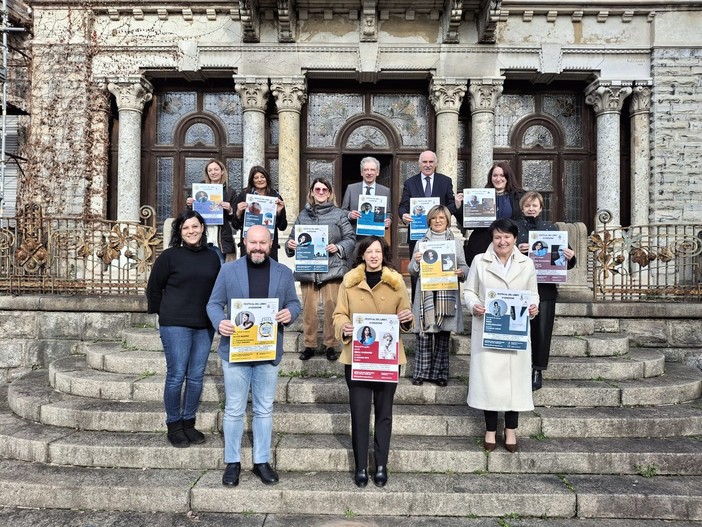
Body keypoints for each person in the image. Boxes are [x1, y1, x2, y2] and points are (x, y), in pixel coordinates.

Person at [207, 225, 301, 487]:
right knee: (235, 409)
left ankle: (261, 461)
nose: (258, 247)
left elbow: (294, 303)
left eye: (263, 243)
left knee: (263, 409)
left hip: (267, 351)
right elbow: (213, 303)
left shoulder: (283, 273)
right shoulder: (228, 270)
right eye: (253, 242)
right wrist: (219, 322)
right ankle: (233, 462)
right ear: (244, 243)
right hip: (235, 350)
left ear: (271, 244)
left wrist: (289, 314)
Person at [333, 235, 413, 488]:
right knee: (359, 413)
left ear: (384, 254)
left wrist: (406, 319)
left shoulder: (397, 283)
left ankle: (380, 464)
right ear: (363, 255)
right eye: (369, 252)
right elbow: (338, 314)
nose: (374, 256)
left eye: (378, 251)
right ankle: (360, 466)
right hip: (359, 358)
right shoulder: (349, 282)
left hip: (388, 359)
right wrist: (343, 326)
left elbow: (406, 316)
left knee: (384, 413)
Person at [146, 210, 221, 448]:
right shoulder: (169, 256)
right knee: (177, 374)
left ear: (202, 228)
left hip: (204, 324)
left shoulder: (212, 256)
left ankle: (189, 421)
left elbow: (219, 288)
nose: (191, 231)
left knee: (196, 376)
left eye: (195, 226)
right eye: (186, 227)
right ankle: (174, 424)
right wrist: (165, 314)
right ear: (180, 231)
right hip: (175, 323)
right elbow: (154, 288)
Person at [464, 218, 539, 453]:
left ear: (515, 239)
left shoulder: (527, 263)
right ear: (492, 239)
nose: (502, 241)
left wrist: (533, 308)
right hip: (489, 329)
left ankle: (510, 430)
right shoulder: (479, 261)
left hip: (515, 332)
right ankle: (489, 430)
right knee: (489, 382)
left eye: (507, 237)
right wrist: (474, 305)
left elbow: (533, 294)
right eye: (498, 237)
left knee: (514, 383)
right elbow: (469, 290)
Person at [286, 177, 355, 361]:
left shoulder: (339, 214)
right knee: (309, 309)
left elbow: (350, 238)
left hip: (331, 269)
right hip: (309, 269)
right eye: (318, 189)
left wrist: (338, 247)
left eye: (325, 189)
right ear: (312, 192)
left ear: (330, 193)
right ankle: (309, 345)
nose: (321, 192)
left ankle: (330, 345)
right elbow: (292, 239)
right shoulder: (303, 215)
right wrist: (291, 245)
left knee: (332, 307)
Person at [516, 191, 576, 390]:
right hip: (519, 287)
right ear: (522, 207)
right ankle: (519, 369)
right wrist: (517, 249)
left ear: (541, 208)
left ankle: (537, 370)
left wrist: (569, 255)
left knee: (541, 332)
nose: (531, 209)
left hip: (545, 290)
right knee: (520, 330)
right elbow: (502, 251)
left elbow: (565, 264)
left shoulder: (551, 229)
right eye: (527, 205)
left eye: (535, 205)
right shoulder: (514, 227)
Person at [407, 205, 468, 387]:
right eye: (434, 218)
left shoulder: (456, 243)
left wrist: (460, 272)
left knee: (442, 336)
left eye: (442, 218)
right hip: (426, 293)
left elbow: (465, 266)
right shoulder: (421, 242)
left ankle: (440, 374)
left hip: (446, 295)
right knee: (424, 334)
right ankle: (420, 372)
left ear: (448, 220)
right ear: (429, 221)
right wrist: (416, 261)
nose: (438, 221)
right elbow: (411, 270)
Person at [398, 150, 458, 301]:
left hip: (440, 235)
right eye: (424, 162)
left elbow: (451, 204)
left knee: (439, 270)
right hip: (417, 235)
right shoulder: (410, 183)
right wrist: (404, 215)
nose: (428, 165)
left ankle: (440, 304)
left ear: (436, 164)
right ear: (419, 164)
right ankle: (416, 304)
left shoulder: (445, 181)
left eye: (431, 162)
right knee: (417, 270)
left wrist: (444, 213)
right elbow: (403, 206)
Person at [460, 162, 524, 267]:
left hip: (508, 245)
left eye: (502, 175)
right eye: (495, 175)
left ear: (508, 177)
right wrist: (459, 206)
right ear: (490, 178)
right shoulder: (479, 196)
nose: (498, 179)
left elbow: (522, 221)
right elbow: (468, 224)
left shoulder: (519, 196)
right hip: (482, 245)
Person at [232, 165, 288, 262]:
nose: (260, 180)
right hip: (249, 244)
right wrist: (238, 212)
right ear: (252, 180)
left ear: (267, 178)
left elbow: (283, 226)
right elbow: (235, 225)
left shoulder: (275, 196)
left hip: (269, 244)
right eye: (256, 177)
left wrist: (279, 212)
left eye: (262, 177)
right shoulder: (244, 195)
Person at [186, 159, 237, 264]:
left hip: (220, 237)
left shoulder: (230, 192)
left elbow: (235, 220)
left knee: (220, 264)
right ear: (207, 173)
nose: (213, 172)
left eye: (216, 169)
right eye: (210, 170)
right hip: (201, 234)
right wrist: (190, 205)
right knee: (200, 265)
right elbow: (191, 215)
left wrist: (230, 209)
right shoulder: (199, 188)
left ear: (222, 171)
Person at [341, 156, 392, 238]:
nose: (369, 173)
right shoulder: (351, 188)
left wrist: (388, 220)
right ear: (361, 172)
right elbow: (343, 210)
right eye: (366, 170)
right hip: (355, 237)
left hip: (376, 237)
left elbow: (388, 212)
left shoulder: (385, 191)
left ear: (377, 172)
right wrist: (350, 214)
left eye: (372, 170)